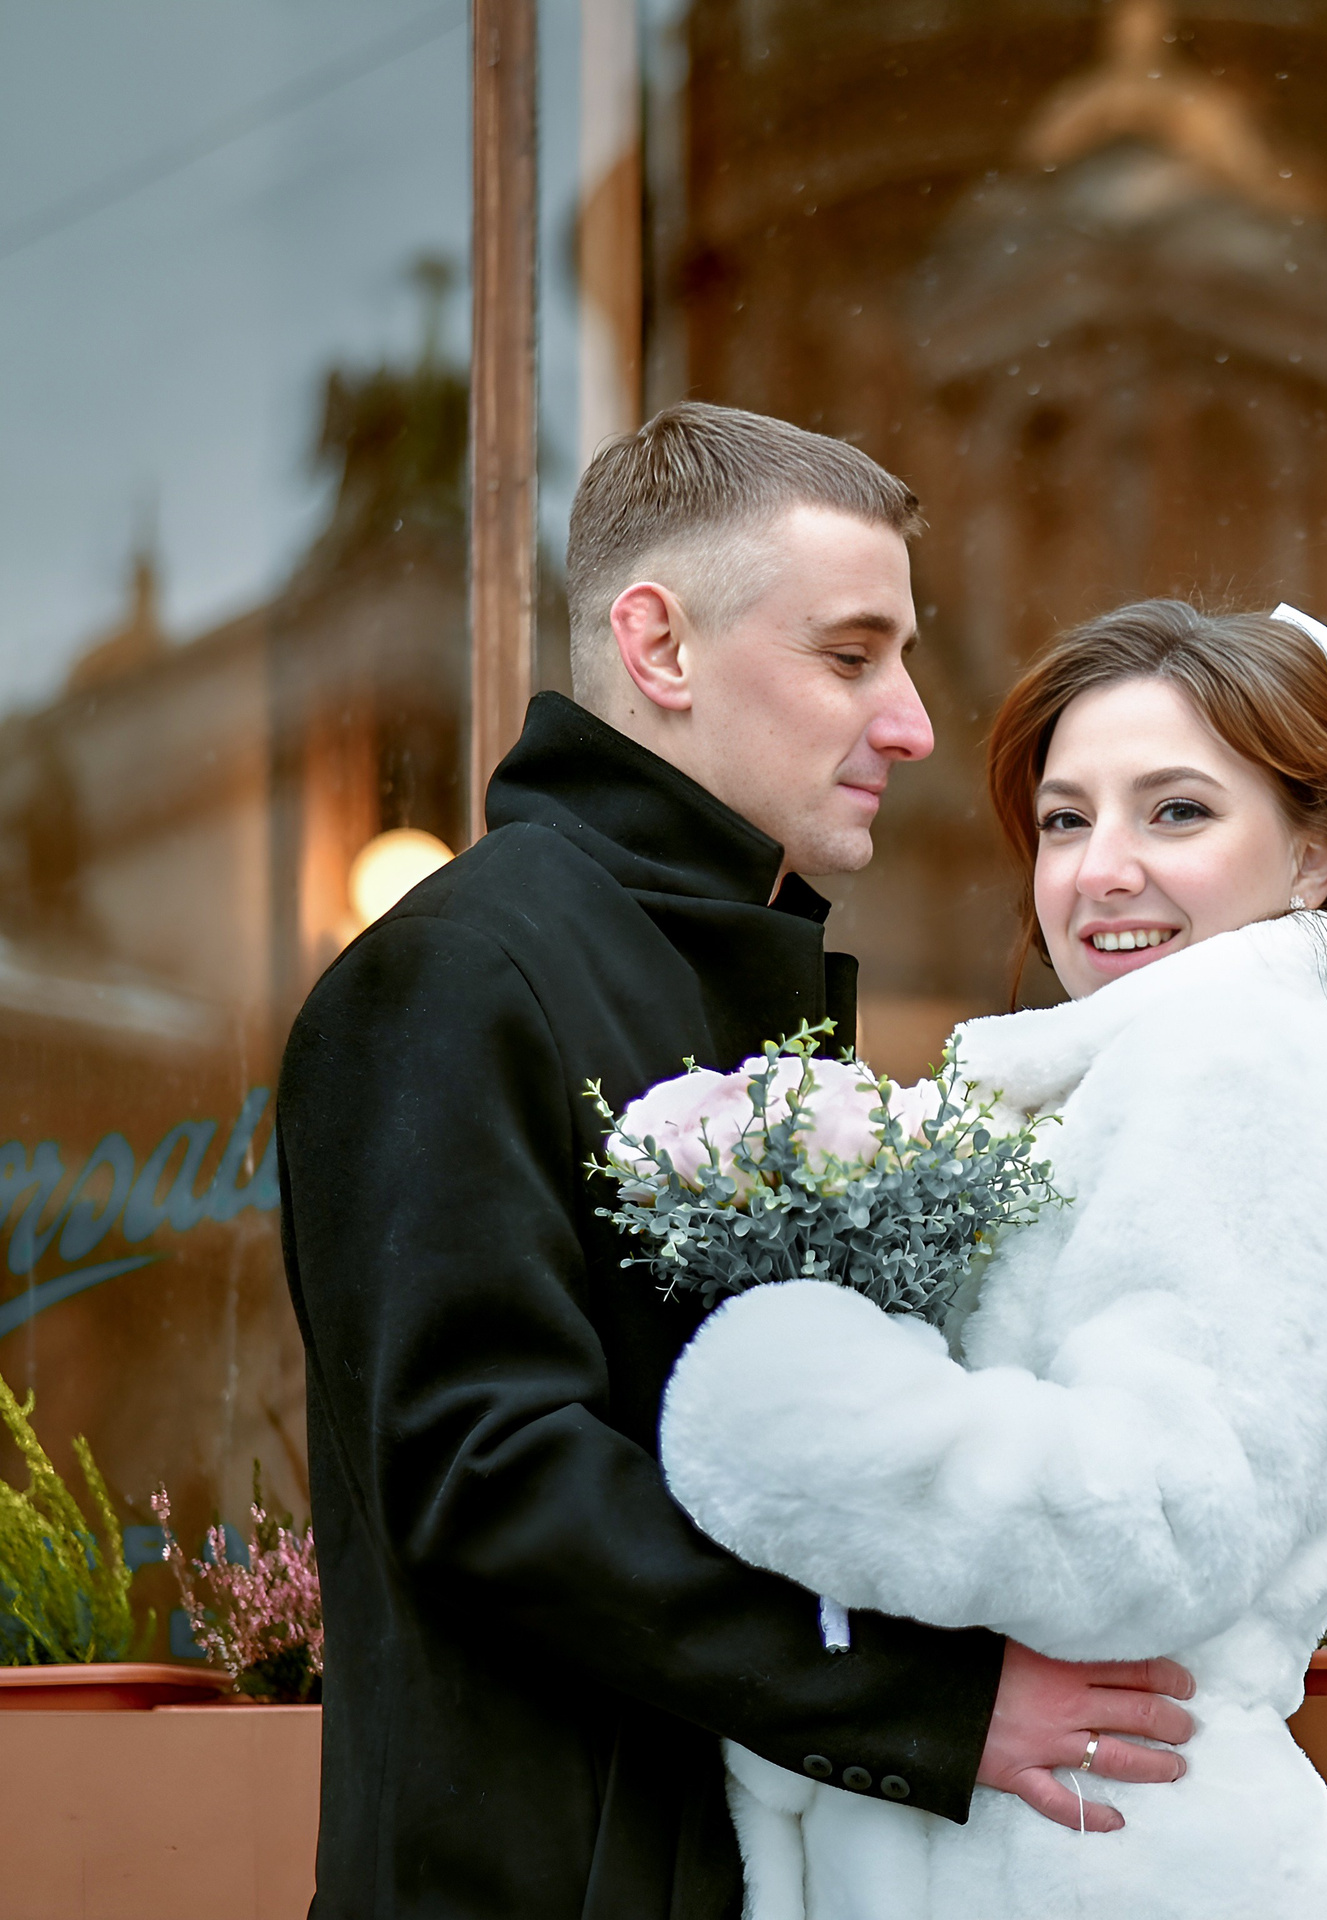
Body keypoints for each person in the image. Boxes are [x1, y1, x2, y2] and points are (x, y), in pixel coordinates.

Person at [276, 404, 1195, 1918]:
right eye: (850, 656)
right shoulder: (454, 974)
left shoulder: (712, 965)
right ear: (661, 646)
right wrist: (932, 1702)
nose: (908, 721)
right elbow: (488, 1480)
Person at [659, 600, 1327, 1918]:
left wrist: (779, 1402)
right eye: (1064, 818)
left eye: (1176, 812)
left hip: (1095, 1858)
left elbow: (1149, 1520)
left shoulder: (1244, 1066)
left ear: (1313, 859)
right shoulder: (1143, 1074)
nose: (1101, 869)